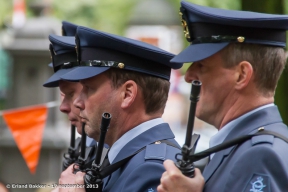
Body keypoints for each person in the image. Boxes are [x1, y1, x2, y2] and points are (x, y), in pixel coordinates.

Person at [158, 2, 288, 192]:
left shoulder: (260, 154)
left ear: (242, 75)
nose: (188, 76)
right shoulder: (241, 146)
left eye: (201, 65)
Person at [57, 26, 183, 192]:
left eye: (89, 89)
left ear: (127, 94)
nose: (78, 103)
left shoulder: (153, 169)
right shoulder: (121, 157)